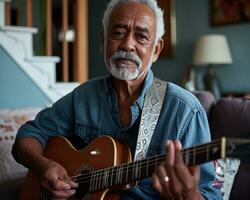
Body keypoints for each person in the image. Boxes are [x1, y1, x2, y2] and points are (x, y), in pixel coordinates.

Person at [12, 0, 221, 199]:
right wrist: (43, 166)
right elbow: (28, 136)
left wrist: (188, 194)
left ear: (156, 50)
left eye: (141, 37)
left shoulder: (185, 111)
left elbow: (209, 195)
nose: (128, 45)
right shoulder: (83, 97)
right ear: (103, 42)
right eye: (118, 33)